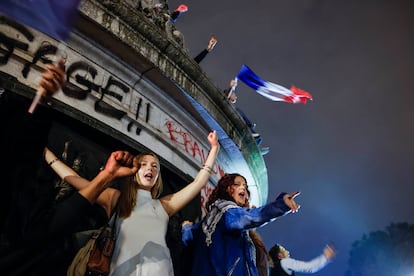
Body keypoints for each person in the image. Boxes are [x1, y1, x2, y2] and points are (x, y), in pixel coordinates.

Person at [0, 62, 139, 275]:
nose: (148, 170)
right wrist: (106, 175)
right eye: (145, 163)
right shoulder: (116, 199)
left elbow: (47, 228)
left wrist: (41, 102)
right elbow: (70, 188)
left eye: (153, 166)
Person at [182, 173, 300, 276]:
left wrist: (186, 227)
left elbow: (188, 238)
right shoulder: (228, 213)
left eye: (245, 185)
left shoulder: (208, 222)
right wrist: (280, 205)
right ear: (227, 189)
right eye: (237, 184)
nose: (243, 187)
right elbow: (254, 216)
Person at [223, 79, 270, 155]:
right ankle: (253, 149)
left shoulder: (233, 107)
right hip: (235, 125)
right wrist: (231, 87)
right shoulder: (227, 104)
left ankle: (254, 149)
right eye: (234, 94)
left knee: (258, 138)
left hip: (242, 124)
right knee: (257, 138)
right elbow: (225, 96)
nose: (236, 96)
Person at [269, 243, 336, 276]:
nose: (288, 252)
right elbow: (309, 267)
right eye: (284, 250)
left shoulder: (272, 270)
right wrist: (325, 257)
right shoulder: (284, 262)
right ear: (280, 255)